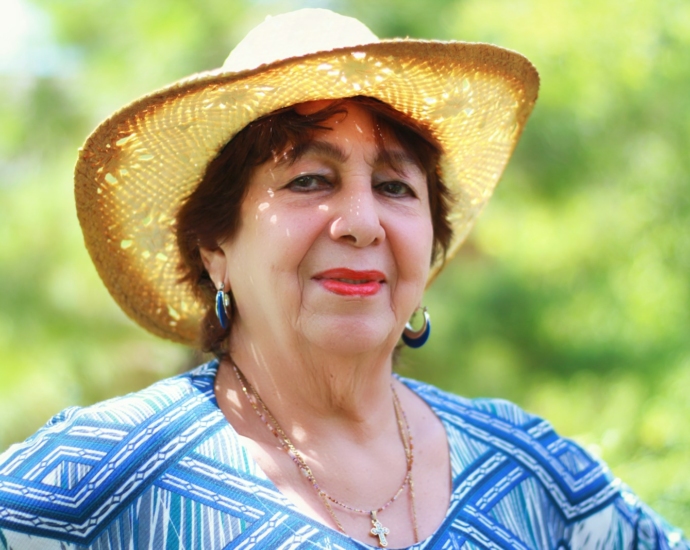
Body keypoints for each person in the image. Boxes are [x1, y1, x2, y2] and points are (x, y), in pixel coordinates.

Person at [0, 9, 686, 550]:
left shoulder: (529, 474)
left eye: (394, 186)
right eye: (309, 180)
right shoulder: (109, 474)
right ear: (216, 246)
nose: (361, 222)